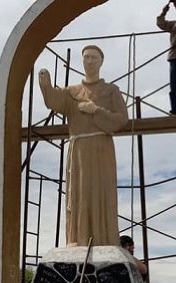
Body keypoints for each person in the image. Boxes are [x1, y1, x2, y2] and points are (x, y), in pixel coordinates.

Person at [38, 45, 129, 247]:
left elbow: (121, 120)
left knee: (101, 193)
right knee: (78, 194)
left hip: (101, 149)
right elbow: (54, 100)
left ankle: (104, 239)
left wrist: (95, 110)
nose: (90, 61)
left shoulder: (111, 91)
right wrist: (45, 85)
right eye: (86, 57)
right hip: (78, 151)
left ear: (101, 61)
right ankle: (78, 239)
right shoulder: (72, 92)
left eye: (94, 57)